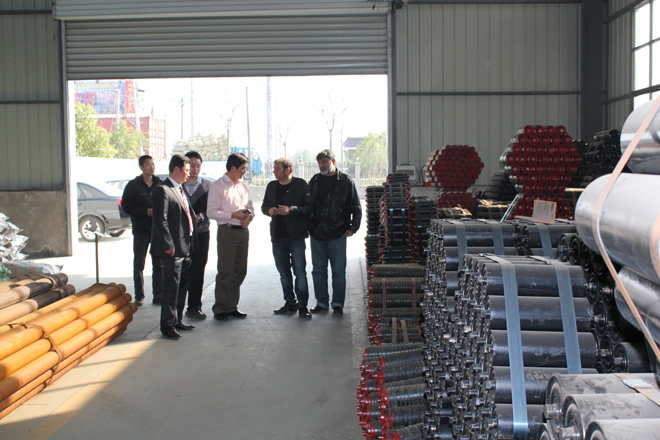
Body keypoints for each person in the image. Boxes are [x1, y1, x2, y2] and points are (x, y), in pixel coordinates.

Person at [308, 149, 362, 315]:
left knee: (338, 271)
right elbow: (307, 205)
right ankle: (321, 302)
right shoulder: (314, 181)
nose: (322, 165)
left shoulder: (345, 181)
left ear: (333, 161)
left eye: (325, 162)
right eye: (320, 162)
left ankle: (338, 303)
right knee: (318, 271)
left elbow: (356, 206)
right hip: (317, 233)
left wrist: (353, 227)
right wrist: (309, 226)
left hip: (337, 233)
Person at [151, 154, 196, 339]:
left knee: (182, 286)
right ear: (176, 169)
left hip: (185, 246)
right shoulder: (163, 190)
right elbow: (160, 220)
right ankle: (167, 325)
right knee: (171, 287)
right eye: (186, 170)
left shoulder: (180, 189)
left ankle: (178, 320)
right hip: (173, 249)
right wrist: (168, 244)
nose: (189, 174)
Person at [261, 158, 313, 319]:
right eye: (274, 168)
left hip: (296, 236)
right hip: (277, 236)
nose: (274, 171)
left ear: (287, 170)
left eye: (277, 169)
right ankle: (290, 303)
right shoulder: (272, 186)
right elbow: (264, 207)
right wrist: (269, 211)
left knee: (300, 272)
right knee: (284, 272)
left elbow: (309, 207)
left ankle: (303, 306)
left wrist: (291, 210)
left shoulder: (300, 185)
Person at [206, 153, 255, 321]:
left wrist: (248, 218)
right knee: (226, 271)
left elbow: (250, 208)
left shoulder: (243, 186)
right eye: (243, 168)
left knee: (240, 270)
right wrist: (233, 215)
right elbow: (211, 212)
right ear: (233, 167)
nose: (245, 171)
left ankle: (231, 306)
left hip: (242, 232)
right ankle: (220, 308)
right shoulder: (218, 186)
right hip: (227, 232)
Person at [121, 155, 163, 307]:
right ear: (141, 167)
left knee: (159, 263)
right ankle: (139, 296)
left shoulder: (159, 184)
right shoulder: (133, 185)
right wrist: (144, 211)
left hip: (157, 229)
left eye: (153, 164)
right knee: (139, 264)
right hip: (141, 230)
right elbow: (126, 206)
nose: (152, 167)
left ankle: (158, 295)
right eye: (148, 165)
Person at [182, 151, 213, 320]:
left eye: (198, 166)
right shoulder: (179, 185)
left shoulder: (207, 185)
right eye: (192, 165)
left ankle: (194, 306)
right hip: (182, 234)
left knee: (198, 269)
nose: (195, 169)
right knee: (182, 271)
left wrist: (199, 217)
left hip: (201, 233)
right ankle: (178, 307)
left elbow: (213, 208)